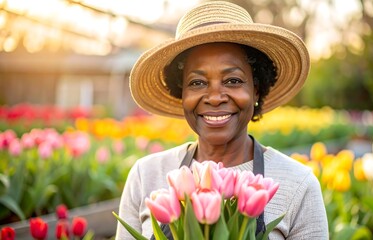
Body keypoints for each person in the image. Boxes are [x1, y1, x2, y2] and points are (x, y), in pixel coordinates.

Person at [116, 1, 328, 239]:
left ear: (256, 90)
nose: (215, 98)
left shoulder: (298, 184)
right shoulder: (146, 175)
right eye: (197, 83)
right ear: (182, 93)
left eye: (233, 81)